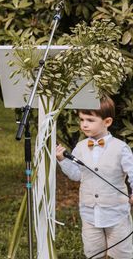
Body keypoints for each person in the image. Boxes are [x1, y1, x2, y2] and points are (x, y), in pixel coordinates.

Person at [56, 97, 133, 259]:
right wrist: (62, 160)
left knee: (122, 253)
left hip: (116, 214)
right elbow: (77, 174)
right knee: (93, 252)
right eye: (82, 119)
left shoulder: (121, 148)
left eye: (90, 120)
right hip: (89, 213)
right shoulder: (81, 147)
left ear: (107, 122)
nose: (84, 124)